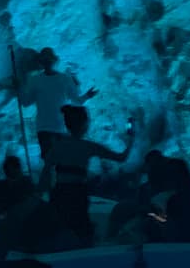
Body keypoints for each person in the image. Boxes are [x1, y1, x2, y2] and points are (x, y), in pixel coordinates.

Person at [49, 104, 134, 244]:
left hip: (59, 192)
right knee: (82, 233)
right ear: (84, 124)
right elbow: (121, 158)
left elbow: (47, 172)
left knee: (61, 230)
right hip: (77, 194)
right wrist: (131, 140)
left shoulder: (57, 145)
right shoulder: (88, 146)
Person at [18, 47, 96, 183]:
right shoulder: (35, 80)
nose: (47, 62)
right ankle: (49, 192)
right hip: (44, 127)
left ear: (53, 61)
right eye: (45, 60)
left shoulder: (64, 79)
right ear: (42, 62)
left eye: (49, 59)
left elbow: (77, 100)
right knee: (49, 162)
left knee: (61, 163)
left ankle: (59, 191)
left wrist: (87, 96)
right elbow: (25, 102)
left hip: (61, 127)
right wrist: (19, 88)